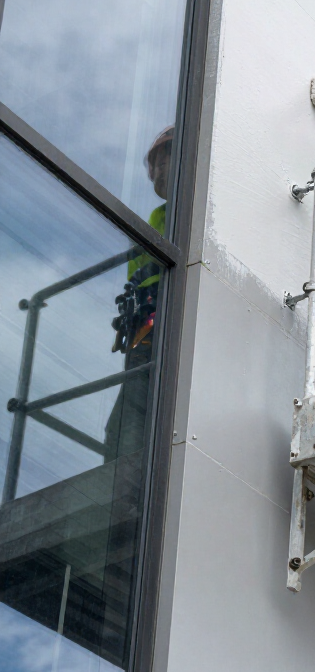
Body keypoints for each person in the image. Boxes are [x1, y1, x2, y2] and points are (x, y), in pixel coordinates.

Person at [105, 126, 172, 460]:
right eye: (157, 161)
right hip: (144, 334)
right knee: (121, 426)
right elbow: (136, 285)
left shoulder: (186, 216)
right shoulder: (155, 220)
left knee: (136, 420)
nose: (159, 168)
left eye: (166, 157)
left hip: (167, 331)